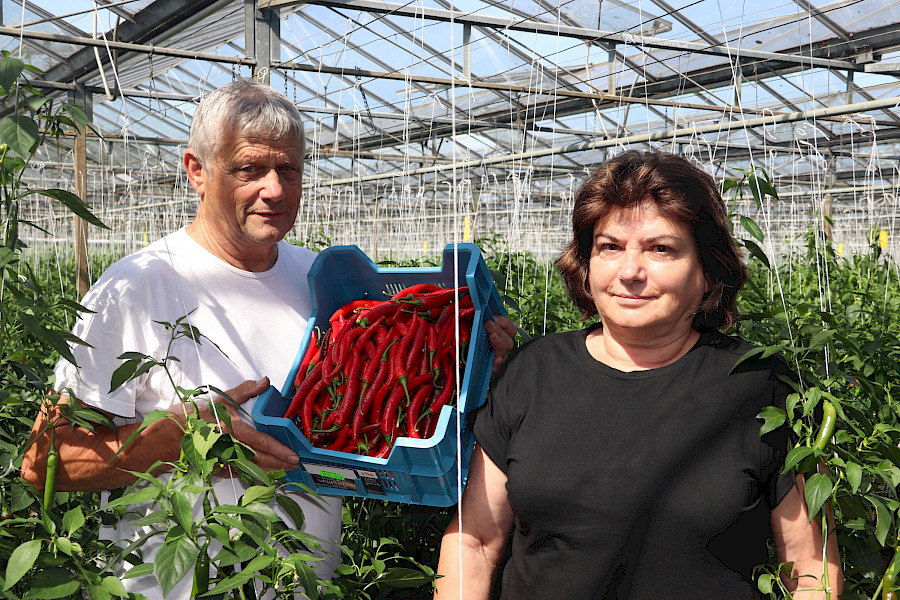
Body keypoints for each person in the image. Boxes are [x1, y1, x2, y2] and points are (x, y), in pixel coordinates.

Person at [20, 78, 517, 600]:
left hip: (303, 586)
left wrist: (474, 364)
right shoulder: (135, 287)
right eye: (250, 169)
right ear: (197, 171)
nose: (274, 190)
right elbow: (44, 458)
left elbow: (378, 423)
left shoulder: (322, 281)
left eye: (288, 169)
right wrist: (179, 441)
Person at [434, 150, 843, 600]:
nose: (629, 271)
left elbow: (809, 568)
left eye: (660, 248)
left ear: (707, 271)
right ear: (587, 264)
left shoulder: (758, 383)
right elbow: (474, 541)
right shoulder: (532, 371)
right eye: (610, 247)